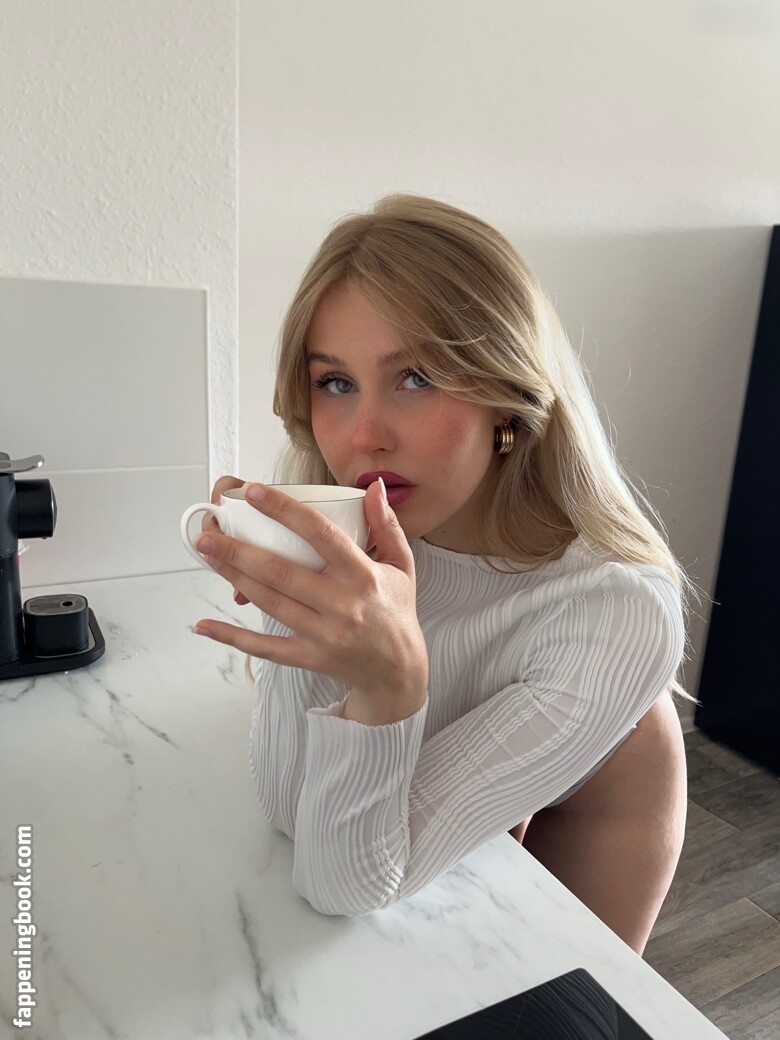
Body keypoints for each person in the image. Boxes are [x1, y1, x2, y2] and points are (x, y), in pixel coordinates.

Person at [197, 194, 706, 955]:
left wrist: (387, 687)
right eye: (335, 383)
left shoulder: (611, 610)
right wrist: (294, 581)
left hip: (594, 809)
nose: (365, 436)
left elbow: (343, 885)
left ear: (506, 392)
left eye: (416, 377)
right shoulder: (364, 536)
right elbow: (286, 810)